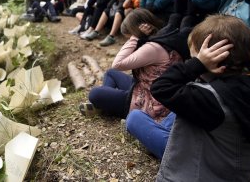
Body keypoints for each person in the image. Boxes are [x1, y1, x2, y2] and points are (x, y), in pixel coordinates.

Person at [151, 15, 250, 181]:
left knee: (136, 119)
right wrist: (240, 47)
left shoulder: (211, 99)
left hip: (194, 176)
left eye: (195, 58)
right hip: (236, 172)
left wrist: (197, 64)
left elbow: (160, 87)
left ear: (213, 61)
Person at [79, 9, 188, 158]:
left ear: (138, 30)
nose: (130, 39)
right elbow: (115, 69)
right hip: (145, 87)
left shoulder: (153, 48)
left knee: (95, 93)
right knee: (110, 74)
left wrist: (134, 38)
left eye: (130, 35)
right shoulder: (164, 36)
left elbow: (118, 63)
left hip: (148, 102)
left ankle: (112, 106)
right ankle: (108, 104)